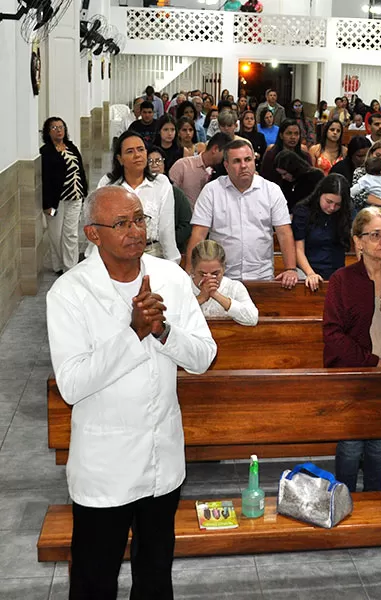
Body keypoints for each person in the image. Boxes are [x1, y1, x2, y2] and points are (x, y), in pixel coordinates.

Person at [47, 185, 216, 599]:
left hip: (163, 460)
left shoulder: (172, 279)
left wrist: (162, 331)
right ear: (92, 234)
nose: (135, 230)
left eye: (139, 219)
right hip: (106, 468)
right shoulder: (70, 293)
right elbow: (72, 384)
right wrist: (134, 333)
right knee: (94, 580)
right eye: (121, 223)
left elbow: (203, 356)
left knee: (156, 575)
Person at [324, 207, 381, 491]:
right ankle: (344, 500)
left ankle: (375, 503)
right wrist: (370, 361)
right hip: (353, 373)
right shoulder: (342, 279)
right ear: (358, 241)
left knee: (379, 446)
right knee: (350, 447)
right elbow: (333, 333)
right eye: (375, 235)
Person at [187, 138, 299, 288]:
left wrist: (290, 269)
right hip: (221, 279)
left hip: (262, 277)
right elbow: (198, 235)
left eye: (248, 159)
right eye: (237, 161)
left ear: (254, 161)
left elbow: (284, 233)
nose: (244, 165)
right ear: (226, 166)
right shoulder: (211, 191)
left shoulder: (271, 190)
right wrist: (189, 274)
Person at [95, 132, 179, 262]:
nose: (137, 155)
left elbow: (166, 229)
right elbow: (99, 225)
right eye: (130, 151)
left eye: (141, 149)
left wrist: (173, 261)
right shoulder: (107, 183)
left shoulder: (161, 183)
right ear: (120, 159)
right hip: (115, 255)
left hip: (152, 254)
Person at [41, 117, 87, 274]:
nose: (59, 130)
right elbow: (45, 179)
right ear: (48, 132)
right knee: (56, 235)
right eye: (54, 128)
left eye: (61, 127)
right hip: (56, 202)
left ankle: (70, 268)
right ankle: (58, 265)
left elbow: (80, 170)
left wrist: (84, 191)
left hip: (75, 198)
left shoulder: (72, 147)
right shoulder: (46, 152)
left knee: (71, 234)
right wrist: (47, 204)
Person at [291, 174, 352, 290]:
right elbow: (298, 249)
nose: (332, 207)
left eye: (337, 204)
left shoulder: (343, 213)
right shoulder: (303, 212)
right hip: (307, 270)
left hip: (336, 271)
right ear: (320, 194)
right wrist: (310, 273)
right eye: (329, 201)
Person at [189, 239, 259, 325]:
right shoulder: (182, 286)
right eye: (202, 274)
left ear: (224, 268)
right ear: (192, 269)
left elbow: (252, 319)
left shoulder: (235, 287)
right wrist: (201, 298)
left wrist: (216, 295)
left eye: (215, 274)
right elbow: (172, 319)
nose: (209, 279)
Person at [147, 146, 192, 255]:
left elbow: (186, 224)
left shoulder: (176, 193)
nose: (154, 165)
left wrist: (168, 240)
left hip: (168, 249)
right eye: (150, 161)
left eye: (158, 161)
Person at [168, 132, 230, 207]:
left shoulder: (223, 172)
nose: (227, 158)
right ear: (215, 149)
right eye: (225, 153)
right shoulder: (183, 165)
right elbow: (169, 195)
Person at [260, 119, 311, 188]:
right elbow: (265, 180)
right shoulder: (271, 155)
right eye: (289, 133)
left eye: (296, 134)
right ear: (281, 135)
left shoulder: (305, 157)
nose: (293, 137)